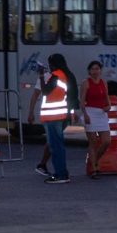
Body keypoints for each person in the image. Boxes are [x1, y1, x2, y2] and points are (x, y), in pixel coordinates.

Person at [39, 53, 77, 184]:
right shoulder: (66, 75)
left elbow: (45, 91)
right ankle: (63, 173)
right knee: (58, 146)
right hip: (59, 115)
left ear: (54, 64)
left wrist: (41, 76)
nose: (49, 66)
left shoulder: (56, 76)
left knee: (56, 147)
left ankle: (60, 175)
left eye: (50, 63)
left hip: (52, 116)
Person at [80, 60, 111, 178]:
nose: (95, 71)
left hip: (101, 113)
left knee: (106, 141)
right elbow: (82, 101)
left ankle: (94, 161)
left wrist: (108, 107)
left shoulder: (103, 82)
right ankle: (93, 168)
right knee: (93, 142)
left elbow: (106, 99)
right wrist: (85, 115)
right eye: (93, 69)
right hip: (90, 112)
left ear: (100, 71)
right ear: (89, 71)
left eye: (97, 69)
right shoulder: (86, 83)